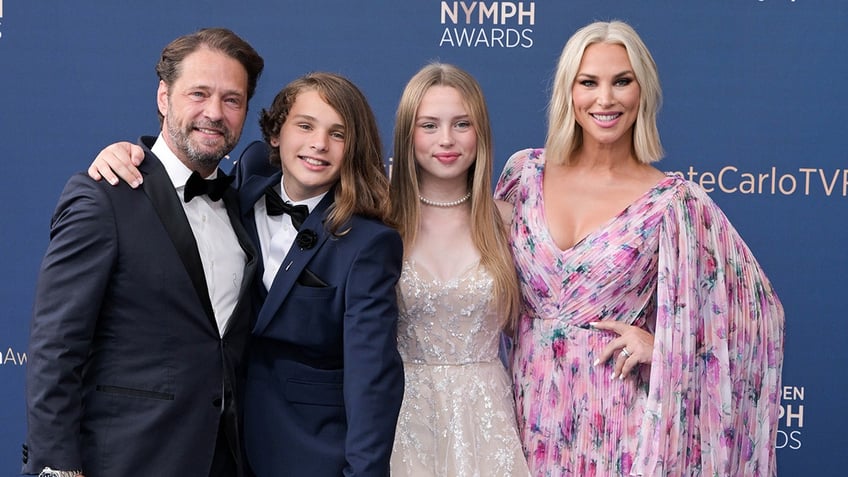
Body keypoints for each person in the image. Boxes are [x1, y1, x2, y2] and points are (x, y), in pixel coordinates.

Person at [494, 20, 785, 476]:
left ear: (642, 90)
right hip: (522, 415)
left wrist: (666, 345)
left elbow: (758, 317)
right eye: (588, 82)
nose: (605, 99)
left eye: (621, 82)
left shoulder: (674, 202)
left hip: (618, 424)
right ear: (568, 92)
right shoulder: (524, 176)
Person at [87, 72, 405, 476]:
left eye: (338, 134)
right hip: (207, 446)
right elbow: (172, 179)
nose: (318, 144)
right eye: (305, 126)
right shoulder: (236, 192)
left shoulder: (368, 243)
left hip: (308, 453)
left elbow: (372, 382)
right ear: (276, 133)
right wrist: (120, 154)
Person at [24, 28, 264, 477]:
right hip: (128, 459)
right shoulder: (105, 196)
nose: (214, 113)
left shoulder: (240, 202)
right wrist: (55, 468)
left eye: (232, 100)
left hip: (225, 461)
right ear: (163, 96)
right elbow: (56, 348)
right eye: (199, 93)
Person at [387, 63, 530, 476]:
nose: (446, 140)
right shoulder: (380, 223)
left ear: (480, 131)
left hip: (489, 421)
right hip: (400, 415)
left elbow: (555, 318)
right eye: (429, 125)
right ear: (406, 135)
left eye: (461, 124)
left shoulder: (510, 221)